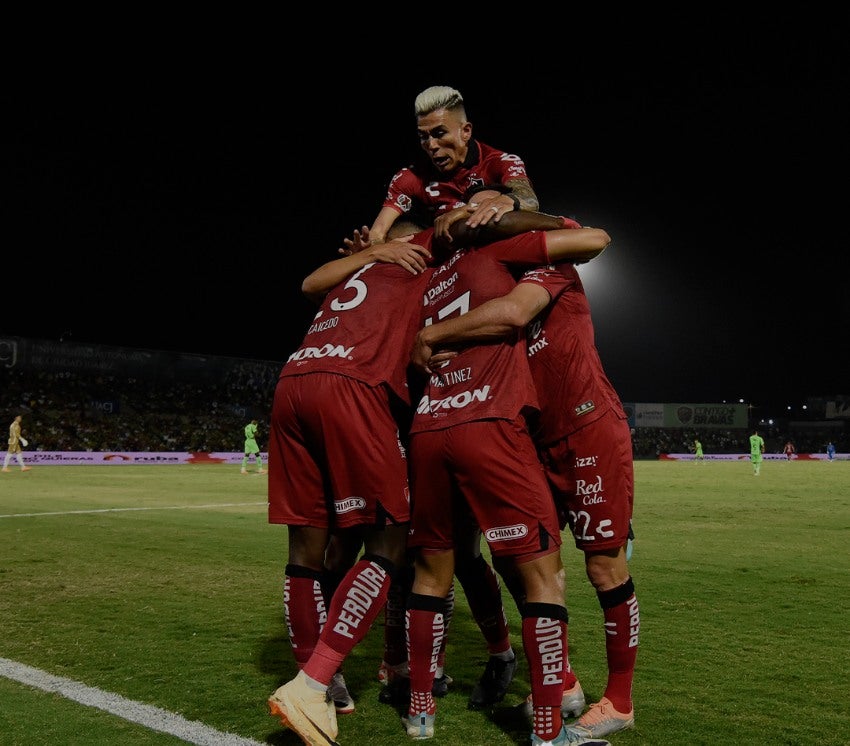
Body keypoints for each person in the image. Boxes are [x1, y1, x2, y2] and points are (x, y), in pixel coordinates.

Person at [410, 212, 638, 741]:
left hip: (585, 428)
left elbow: (514, 313)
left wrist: (431, 332)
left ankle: (620, 702)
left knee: (604, 568)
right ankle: (562, 686)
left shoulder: (546, 267)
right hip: (528, 436)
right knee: (521, 558)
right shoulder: (489, 276)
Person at [265, 234, 434, 745]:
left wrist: (369, 251)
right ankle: (313, 681)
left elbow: (310, 282)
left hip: (294, 381)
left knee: (305, 551)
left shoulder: (359, 271)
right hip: (354, 384)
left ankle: (327, 684)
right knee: (390, 542)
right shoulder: (428, 258)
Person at [341, 84, 539, 253]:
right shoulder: (409, 177)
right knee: (397, 235)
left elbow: (529, 199)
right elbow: (378, 233)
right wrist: (369, 252)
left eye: (439, 133)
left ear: (465, 131)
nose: (432, 145)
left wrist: (470, 210)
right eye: (423, 136)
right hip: (444, 262)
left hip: (494, 249)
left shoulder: (499, 161)